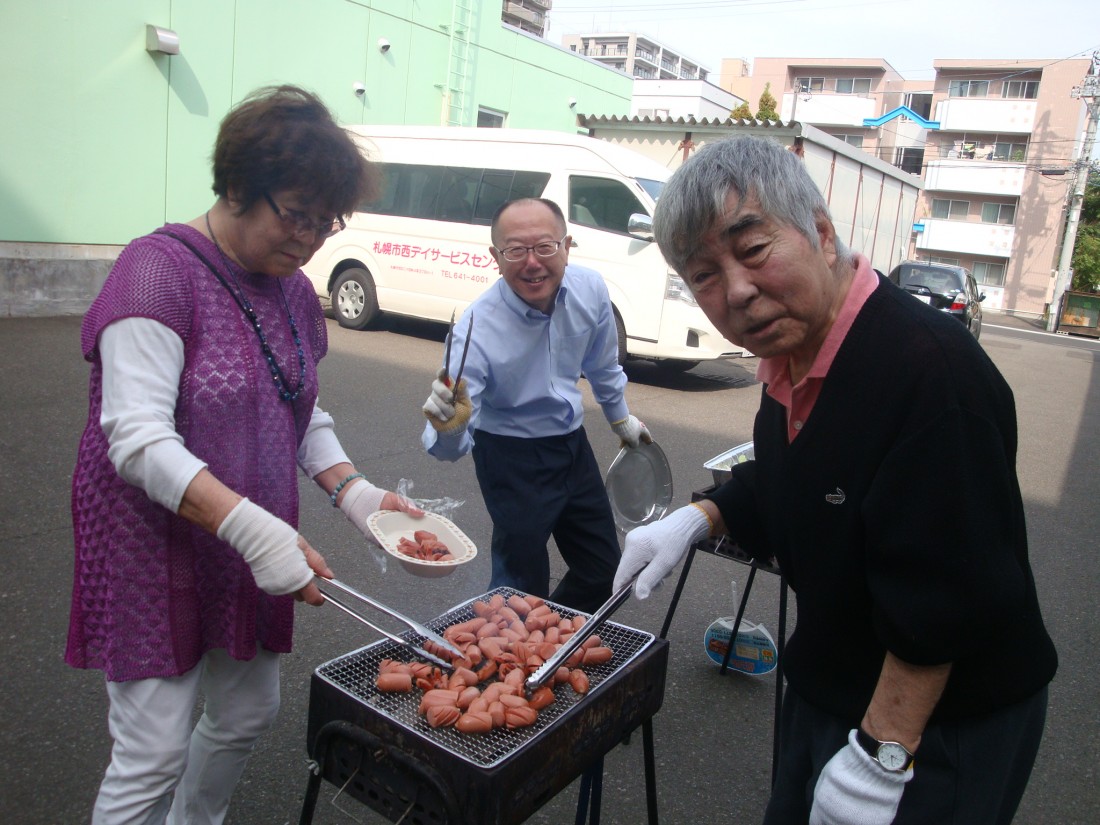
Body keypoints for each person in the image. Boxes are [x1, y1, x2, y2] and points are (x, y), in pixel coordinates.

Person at [614, 135, 1057, 825]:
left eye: (753, 250)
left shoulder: (930, 374)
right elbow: (791, 482)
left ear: (820, 232)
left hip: (942, 717)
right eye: (703, 274)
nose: (735, 290)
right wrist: (697, 518)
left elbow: (945, 598)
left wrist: (882, 756)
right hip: (832, 680)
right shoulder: (790, 357)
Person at [66, 85, 422, 825]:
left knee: (247, 710)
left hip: (247, 544)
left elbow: (294, 403)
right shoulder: (156, 274)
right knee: (152, 748)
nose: (311, 239)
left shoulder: (292, 291)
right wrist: (259, 529)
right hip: (153, 545)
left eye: (328, 222)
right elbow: (134, 438)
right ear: (235, 186)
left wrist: (353, 491)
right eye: (297, 215)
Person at [421, 197, 650, 614]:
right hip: (509, 456)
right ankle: (506, 665)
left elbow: (602, 363)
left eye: (545, 247)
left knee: (605, 572)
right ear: (495, 256)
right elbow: (447, 443)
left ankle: (550, 644)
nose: (532, 262)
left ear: (567, 245)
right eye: (515, 250)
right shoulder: (476, 328)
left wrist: (620, 419)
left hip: (571, 445)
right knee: (520, 587)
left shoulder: (591, 289)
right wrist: (448, 427)